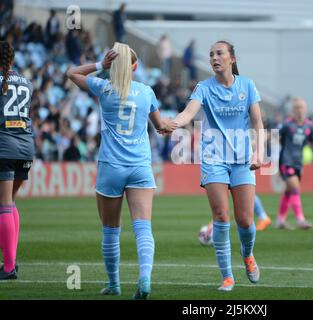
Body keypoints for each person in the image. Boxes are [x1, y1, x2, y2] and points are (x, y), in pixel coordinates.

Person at [67, 42, 168, 299]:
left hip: (111, 165)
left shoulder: (104, 88)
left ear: (113, 65)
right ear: (135, 67)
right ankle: (144, 278)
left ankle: (114, 284)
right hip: (140, 166)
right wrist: (174, 124)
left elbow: (72, 73)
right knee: (143, 227)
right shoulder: (146, 92)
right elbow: (160, 127)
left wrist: (100, 65)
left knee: (111, 229)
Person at [165, 41, 265, 292]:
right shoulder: (204, 88)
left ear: (232, 58)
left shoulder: (248, 85)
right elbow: (188, 113)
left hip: (242, 160)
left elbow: (258, 123)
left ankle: (248, 255)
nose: (214, 58)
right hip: (213, 159)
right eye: (211, 55)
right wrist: (173, 123)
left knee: (245, 221)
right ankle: (227, 276)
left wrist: (259, 152)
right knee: (221, 216)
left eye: (219, 53)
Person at [0, 41, 34, 280]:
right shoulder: (27, 82)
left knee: (3, 205)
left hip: (4, 145)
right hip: (26, 146)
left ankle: (9, 267)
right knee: (9, 203)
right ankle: (10, 261)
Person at [276, 97, 313, 230]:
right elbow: (274, 136)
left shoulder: (309, 126)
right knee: (295, 188)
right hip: (286, 161)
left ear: (306, 109)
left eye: (302, 107)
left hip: (298, 162)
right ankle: (300, 220)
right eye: (297, 107)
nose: (300, 110)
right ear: (292, 110)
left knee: (288, 191)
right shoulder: (287, 125)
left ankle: (280, 220)